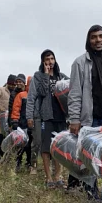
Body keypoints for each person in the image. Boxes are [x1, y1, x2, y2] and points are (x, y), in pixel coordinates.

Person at [66, 25, 102, 203]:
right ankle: (91, 196)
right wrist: (74, 119)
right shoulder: (80, 63)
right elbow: (74, 94)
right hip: (89, 120)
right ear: (88, 41)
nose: (98, 40)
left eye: (101, 36)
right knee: (91, 158)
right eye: (93, 37)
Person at [26, 50, 69, 189]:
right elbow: (35, 96)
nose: (50, 62)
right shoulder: (38, 77)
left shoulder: (61, 76)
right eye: (47, 59)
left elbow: (71, 92)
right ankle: (49, 177)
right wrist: (29, 116)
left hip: (61, 117)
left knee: (59, 147)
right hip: (45, 117)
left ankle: (58, 176)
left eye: (52, 58)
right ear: (42, 61)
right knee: (46, 147)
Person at [0, 74, 18, 159]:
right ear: (7, 83)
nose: (12, 86)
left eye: (14, 85)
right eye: (11, 84)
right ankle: (1, 155)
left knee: (11, 138)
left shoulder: (16, 92)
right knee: (1, 137)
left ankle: (9, 157)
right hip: (1, 118)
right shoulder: (1, 90)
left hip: (12, 119)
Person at [10, 76, 35, 173]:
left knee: (31, 147)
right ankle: (18, 163)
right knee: (21, 145)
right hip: (22, 125)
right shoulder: (21, 95)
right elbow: (16, 109)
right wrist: (15, 121)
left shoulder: (37, 96)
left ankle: (30, 163)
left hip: (33, 127)